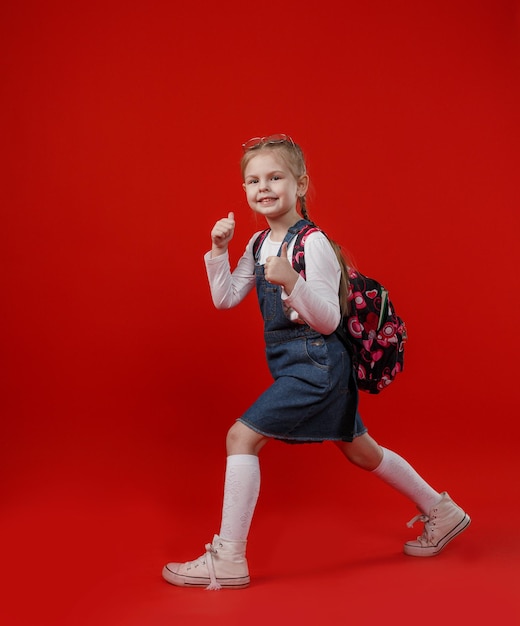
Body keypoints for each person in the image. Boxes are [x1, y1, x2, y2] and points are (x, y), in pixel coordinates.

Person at [162, 134, 470, 590]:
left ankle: (228, 558)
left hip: (319, 365)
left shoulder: (314, 244)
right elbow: (225, 299)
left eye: (275, 177)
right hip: (299, 366)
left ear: (300, 184)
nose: (263, 188)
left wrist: (292, 283)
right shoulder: (256, 243)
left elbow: (328, 321)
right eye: (253, 180)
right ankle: (441, 512)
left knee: (240, 438)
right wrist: (218, 251)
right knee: (362, 451)